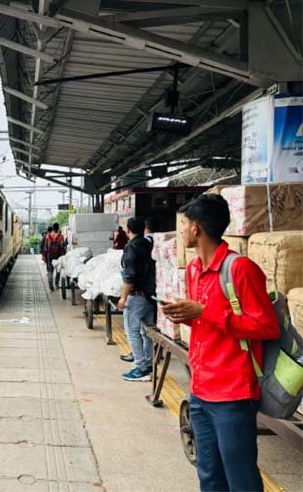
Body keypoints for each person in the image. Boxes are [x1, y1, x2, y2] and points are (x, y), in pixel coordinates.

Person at [162, 194, 279, 492]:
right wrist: (185, 315)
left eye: (184, 224)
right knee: (209, 475)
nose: (182, 231)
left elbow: (266, 326)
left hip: (233, 395)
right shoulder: (194, 270)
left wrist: (203, 311)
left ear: (196, 228)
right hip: (201, 390)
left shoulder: (239, 269)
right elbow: (208, 323)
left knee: (241, 478)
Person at [117, 217, 155, 381]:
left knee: (132, 331)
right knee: (147, 332)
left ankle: (140, 368)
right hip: (150, 295)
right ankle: (148, 363)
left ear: (128, 230)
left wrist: (123, 297)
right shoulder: (148, 244)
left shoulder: (131, 247)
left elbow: (129, 276)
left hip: (137, 296)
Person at [43, 223, 66, 291]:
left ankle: (50, 280)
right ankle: (56, 283)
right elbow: (62, 246)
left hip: (50, 255)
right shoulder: (60, 236)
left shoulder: (48, 236)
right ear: (58, 228)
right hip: (58, 255)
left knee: (50, 270)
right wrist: (63, 254)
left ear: (53, 228)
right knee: (58, 269)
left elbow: (45, 248)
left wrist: (45, 256)